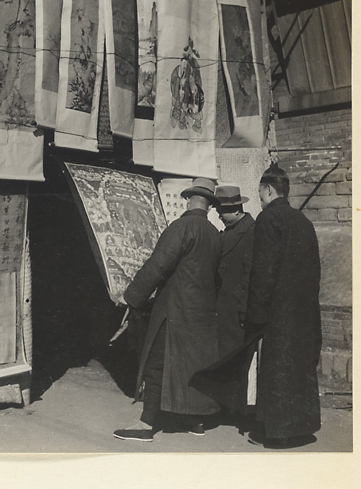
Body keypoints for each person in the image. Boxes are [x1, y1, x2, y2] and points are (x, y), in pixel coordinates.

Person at [113, 178, 221, 442]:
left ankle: (145, 424)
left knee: (156, 364)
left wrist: (130, 296)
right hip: (200, 314)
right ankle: (194, 419)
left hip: (174, 312)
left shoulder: (181, 227)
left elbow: (157, 266)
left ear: (188, 199)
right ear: (209, 204)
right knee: (191, 365)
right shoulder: (213, 234)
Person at [245, 164, 322, 449]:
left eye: (260, 194)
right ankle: (301, 429)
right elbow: (315, 271)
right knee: (299, 370)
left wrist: (255, 316)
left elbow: (263, 272)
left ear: (268, 190)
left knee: (277, 371)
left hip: (278, 313)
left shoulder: (268, 219)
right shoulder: (304, 222)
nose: (260, 199)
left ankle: (278, 434)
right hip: (303, 311)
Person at [214, 185, 255, 359]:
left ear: (236, 210)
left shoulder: (251, 232)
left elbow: (250, 276)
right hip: (224, 314)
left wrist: (243, 313)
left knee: (233, 367)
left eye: (222, 211)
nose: (219, 216)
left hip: (237, 315)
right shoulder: (229, 232)